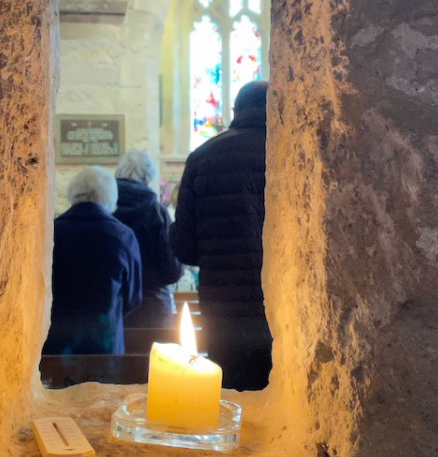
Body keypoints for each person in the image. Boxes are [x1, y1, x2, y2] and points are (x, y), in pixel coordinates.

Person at [170, 80, 272, 390]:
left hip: (224, 310)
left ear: (234, 111)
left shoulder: (203, 157)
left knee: (231, 399)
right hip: (286, 309)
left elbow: (185, 249)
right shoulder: (295, 153)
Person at [43, 166, 142, 355]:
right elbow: (133, 298)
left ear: (73, 193)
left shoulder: (52, 232)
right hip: (105, 344)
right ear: (111, 197)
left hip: (56, 345)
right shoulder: (123, 236)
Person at [114, 150, 184, 328]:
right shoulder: (157, 212)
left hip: (113, 307)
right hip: (152, 308)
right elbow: (173, 270)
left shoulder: (106, 210)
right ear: (147, 178)